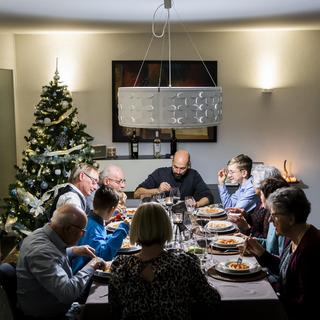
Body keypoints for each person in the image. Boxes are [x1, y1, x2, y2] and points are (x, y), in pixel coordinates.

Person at [109, 202, 220, 319]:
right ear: (167, 227)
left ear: (135, 229)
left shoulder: (120, 266)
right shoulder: (184, 263)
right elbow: (212, 301)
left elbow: (114, 310)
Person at [16, 204, 105, 319]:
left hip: (53, 305)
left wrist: (73, 250)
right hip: (48, 315)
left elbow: (53, 256)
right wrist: (92, 264)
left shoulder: (42, 234)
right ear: (68, 229)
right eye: (82, 230)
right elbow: (68, 293)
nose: (83, 234)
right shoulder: (41, 252)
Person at [245, 187, 320, 319]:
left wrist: (271, 297)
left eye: (274, 216)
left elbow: (305, 303)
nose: (269, 221)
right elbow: (286, 269)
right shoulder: (294, 236)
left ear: (291, 219)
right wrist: (261, 252)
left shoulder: (310, 248)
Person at [72, 186, 129, 273]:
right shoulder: (93, 228)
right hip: (82, 274)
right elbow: (104, 255)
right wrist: (122, 230)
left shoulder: (91, 220)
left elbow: (100, 240)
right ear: (112, 209)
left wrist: (112, 236)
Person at [134, 149, 213, 207]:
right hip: (161, 216)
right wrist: (158, 190)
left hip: (186, 217)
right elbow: (137, 193)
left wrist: (197, 204)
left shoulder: (193, 175)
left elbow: (208, 197)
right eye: (175, 167)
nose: (178, 171)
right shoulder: (160, 173)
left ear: (188, 165)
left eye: (182, 168)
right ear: (172, 162)